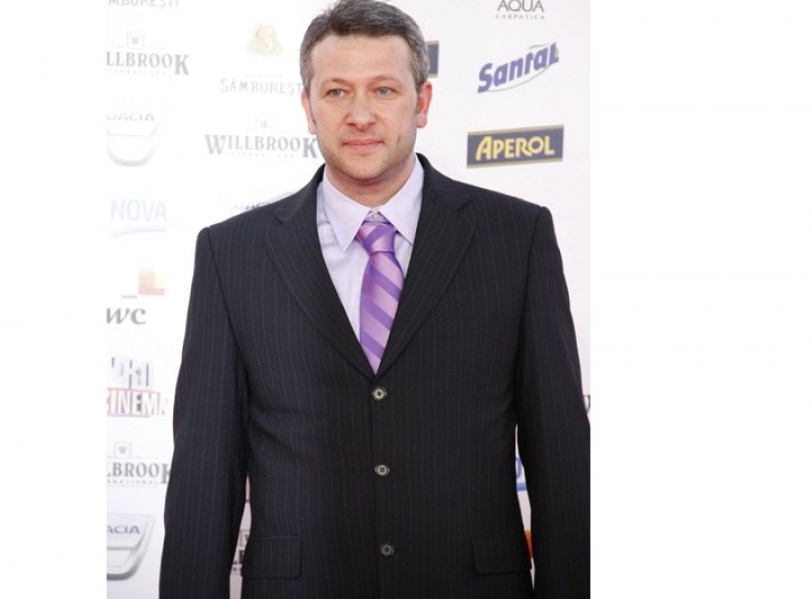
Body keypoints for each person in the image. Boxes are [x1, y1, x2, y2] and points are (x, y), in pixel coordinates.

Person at [159, 0, 589, 597]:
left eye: (383, 90)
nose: (360, 115)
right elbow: (204, 478)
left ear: (423, 102)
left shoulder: (516, 238)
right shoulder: (231, 254)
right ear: (308, 109)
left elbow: (562, 463)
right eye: (336, 92)